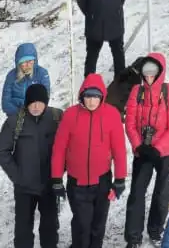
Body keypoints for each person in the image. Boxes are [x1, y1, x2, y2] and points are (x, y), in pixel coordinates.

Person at [51, 76, 128, 248]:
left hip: (102, 182)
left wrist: (120, 178)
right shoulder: (70, 115)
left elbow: (119, 150)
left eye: (96, 96)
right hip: (77, 184)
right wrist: (56, 179)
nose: (92, 101)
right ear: (82, 96)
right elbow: (59, 149)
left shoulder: (112, 114)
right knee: (81, 226)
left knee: (98, 226)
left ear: (102, 96)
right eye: (88, 96)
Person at [122, 54, 169, 246]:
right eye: (146, 72)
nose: (149, 77)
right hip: (143, 149)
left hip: (165, 151)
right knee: (137, 192)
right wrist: (138, 145)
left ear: (160, 72)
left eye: (153, 72)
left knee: (162, 192)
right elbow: (129, 123)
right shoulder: (136, 92)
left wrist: (158, 148)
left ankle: (155, 230)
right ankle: (133, 236)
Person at [78, 0, 131, 77]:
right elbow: (81, 1)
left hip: (115, 24)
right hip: (95, 26)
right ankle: (89, 85)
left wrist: (115, 10)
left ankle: (120, 83)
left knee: (118, 55)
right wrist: (92, 14)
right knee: (91, 57)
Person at [2, 42, 54, 123]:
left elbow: (44, 99)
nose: (28, 65)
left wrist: (31, 114)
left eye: (30, 61)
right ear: (19, 63)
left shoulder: (41, 73)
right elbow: (5, 103)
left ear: (35, 60)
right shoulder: (11, 76)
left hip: (36, 117)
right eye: (24, 62)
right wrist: (20, 115)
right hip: (15, 117)